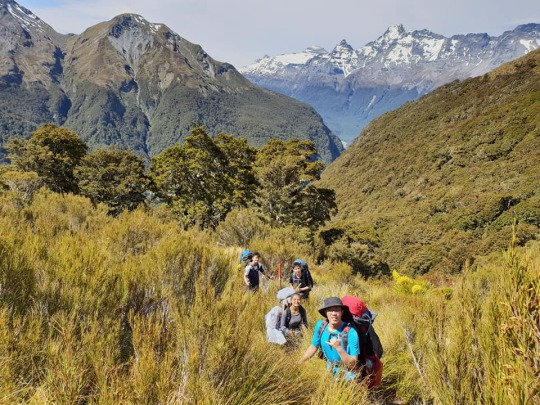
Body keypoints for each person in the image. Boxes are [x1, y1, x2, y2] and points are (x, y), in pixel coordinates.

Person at [298, 297, 360, 380]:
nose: (334, 313)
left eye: (337, 310)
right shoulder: (321, 326)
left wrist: (339, 348)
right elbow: (313, 346)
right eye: (330, 310)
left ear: (342, 312)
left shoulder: (351, 333)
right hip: (330, 370)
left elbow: (353, 365)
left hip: (348, 376)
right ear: (325, 312)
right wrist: (299, 363)